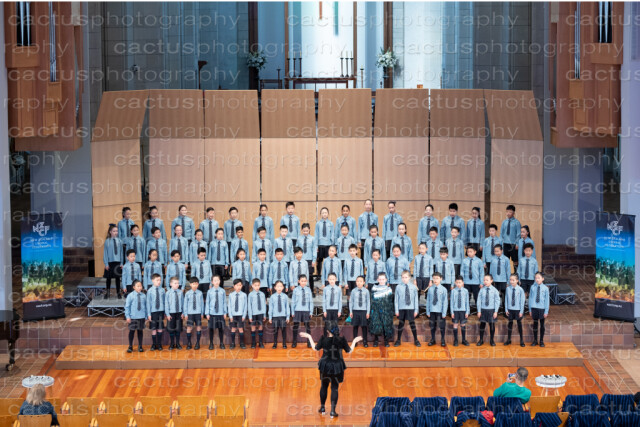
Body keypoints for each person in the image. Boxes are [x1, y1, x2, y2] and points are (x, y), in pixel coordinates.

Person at [299, 325, 362, 419]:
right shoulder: (341, 340)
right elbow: (349, 351)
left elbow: (315, 348)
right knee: (334, 388)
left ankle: (322, 408)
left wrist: (309, 336)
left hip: (325, 366)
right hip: (337, 367)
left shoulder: (323, 339)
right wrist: (354, 341)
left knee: (324, 386)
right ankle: (333, 411)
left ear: (328, 331)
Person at [394, 271, 420, 347]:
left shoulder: (413, 287)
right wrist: (396, 310)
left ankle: (416, 340)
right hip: (401, 308)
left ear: (409, 278)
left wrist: (416, 310)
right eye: (403, 277)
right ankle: (398, 340)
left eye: (406, 277)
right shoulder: (398, 287)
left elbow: (416, 299)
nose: (404, 279)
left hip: (410, 308)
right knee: (401, 324)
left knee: (412, 323)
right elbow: (396, 299)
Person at [370, 272, 394, 347]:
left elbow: (390, 300)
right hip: (376, 310)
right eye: (380, 279)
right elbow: (372, 300)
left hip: (386, 310)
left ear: (386, 280)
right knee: (376, 324)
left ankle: (386, 341)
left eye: (383, 279)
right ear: (377, 279)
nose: (381, 281)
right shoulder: (374, 288)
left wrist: (390, 311)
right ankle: (376, 340)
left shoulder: (389, 289)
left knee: (386, 325)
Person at [477, 274, 501, 346]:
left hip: (491, 310)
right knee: (482, 325)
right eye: (484, 280)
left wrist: (496, 311)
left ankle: (492, 340)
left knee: (492, 325)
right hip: (483, 310)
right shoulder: (481, 290)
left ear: (491, 281)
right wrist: (479, 311)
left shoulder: (495, 290)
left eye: (487, 280)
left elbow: (497, 301)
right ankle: (481, 340)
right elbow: (479, 301)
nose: (485, 281)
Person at [125, 280, 147, 353]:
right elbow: (127, 307)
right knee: (132, 331)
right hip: (133, 317)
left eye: (140, 286)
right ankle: (130, 346)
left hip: (141, 316)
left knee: (140, 331)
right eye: (138, 286)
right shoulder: (130, 296)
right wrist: (128, 316)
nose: (140, 287)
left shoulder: (144, 296)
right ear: (134, 287)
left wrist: (146, 316)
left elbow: (146, 306)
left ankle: (140, 346)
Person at [291, 275, 314, 348]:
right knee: (295, 326)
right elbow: (293, 301)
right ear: (299, 281)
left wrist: (311, 311)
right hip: (297, 310)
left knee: (307, 327)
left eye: (305, 281)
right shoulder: (295, 290)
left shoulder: (308, 290)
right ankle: (294, 341)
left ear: (306, 281)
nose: (303, 282)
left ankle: (309, 342)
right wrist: (292, 311)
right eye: (302, 281)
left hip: (306, 310)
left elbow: (310, 301)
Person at [426, 272, 448, 347]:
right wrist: (428, 311)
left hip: (440, 311)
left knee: (442, 326)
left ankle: (442, 339)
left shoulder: (444, 289)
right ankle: (433, 339)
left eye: (437, 278)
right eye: (434, 278)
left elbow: (445, 302)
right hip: (432, 310)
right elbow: (428, 301)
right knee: (432, 326)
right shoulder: (430, 289)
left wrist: (444, 312)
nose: (435, 280)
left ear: (441, 279)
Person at [205, 275, 226, 350]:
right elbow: (207, 302)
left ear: (220, 281)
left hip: (220, 313)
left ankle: (221, 343)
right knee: (211, 329)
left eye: (218, 280)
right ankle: (211, 343)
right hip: (212, 313)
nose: (216, 282)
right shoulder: (209, 291)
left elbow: (224, 302)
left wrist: (225, 312)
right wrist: (207, 313)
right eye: (215, 280)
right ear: (212, 282)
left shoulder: (222, 291)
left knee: (221, 329)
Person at [505, 273, 526, 347]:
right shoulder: (508, 289)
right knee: (510, 324)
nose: (511, 281)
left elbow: (522, 301)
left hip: (517, 310)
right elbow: (506, 299)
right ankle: (509, 340)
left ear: (517, 280)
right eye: (510, 280)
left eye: (513, 280)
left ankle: (521, 340)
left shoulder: (520, 289)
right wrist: (506, 309)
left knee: (519, 324)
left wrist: (521, 311)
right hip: (510, 309)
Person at [529, 271, 550, 347]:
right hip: (534, 308)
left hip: (542, 308)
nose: (537, 279)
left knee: (542, 324)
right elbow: (530, 298)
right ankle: (535, 340)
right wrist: (530, 309)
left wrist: (546, 311)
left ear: (542, 279)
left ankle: (541, 340)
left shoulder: (545, 288)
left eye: (538, 278)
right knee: (535, 324)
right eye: (536, 278)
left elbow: (547, 300)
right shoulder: (532, 287)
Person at [183, 277, 204, 349]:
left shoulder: (200, 293)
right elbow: (185, 304)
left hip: (198, 312)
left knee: (198, 327)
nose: (195, 285)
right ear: (190, 284)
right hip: (190, 313)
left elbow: (202, 304)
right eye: (193, 284)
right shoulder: (187, 293)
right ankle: (189, 343)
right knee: (189, 327)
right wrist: (185, 314)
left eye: (196, 284)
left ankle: (197, 343)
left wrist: (202, 313)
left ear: (198, 284)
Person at [103, 224, 123, 299]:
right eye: (114, 231)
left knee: (117, 278)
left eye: (116, 231)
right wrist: (106, 263)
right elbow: (105, 253)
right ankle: (107, 292)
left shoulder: (120, 241)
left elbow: (121, 252)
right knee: (108, 278)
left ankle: (118, 292)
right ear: (110, 232)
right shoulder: (107, 241)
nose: (116, 232)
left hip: (117, 262)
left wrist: (121, 263)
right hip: (110, 262)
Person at [349, 276, 370, 347]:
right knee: (355, 327)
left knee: (364, 327)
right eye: (357, 281)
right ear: (356, 282)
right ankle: (355, 341)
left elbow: (368, 302)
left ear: (364, 282)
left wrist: (368, 312)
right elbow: (351, 301)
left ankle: (365, 341)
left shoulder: (366, 291)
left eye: (361, 281)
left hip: (364, 311)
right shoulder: (353, 291)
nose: (359, 283)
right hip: (355, 311)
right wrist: (351, 311)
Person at [146, 273, 166, 351]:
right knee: (154, 328)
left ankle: (159, 344)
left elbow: (164, 301)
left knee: (160, 328)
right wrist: (149, 314)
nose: (159, 282)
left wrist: (165, 312)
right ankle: (154, 344)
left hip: (161, 311)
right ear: (152, 280)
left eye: (160, 280)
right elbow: (148, 303)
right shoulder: (150, 291)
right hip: (153, 312)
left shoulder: (162, 290)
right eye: (157, 280)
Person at [269, 280, 291, 348]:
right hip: (275, 316)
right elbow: (271, 307)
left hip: (283, 316)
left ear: (283, 287)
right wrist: (270, 317)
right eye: (278, 286)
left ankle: (284, 343)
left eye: (281, 286)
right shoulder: (272, 297)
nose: (279, 288)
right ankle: (275, 343)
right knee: (275, 330)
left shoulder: (285, 296)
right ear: (275, 287)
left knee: (283, 330)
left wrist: (287, 316)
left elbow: (287, 307)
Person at [228, 279, 248, 349]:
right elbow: (229, 306)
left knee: (241, 329)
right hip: (233, 315)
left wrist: (244, 315)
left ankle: (242, 343)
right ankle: (232, 343)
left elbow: (245, 306)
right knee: (233, 328)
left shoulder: (244, 295)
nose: (239, 287)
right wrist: (230, 316)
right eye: (237, 285)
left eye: (240, 285)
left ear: (242, 286)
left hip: (240, 315)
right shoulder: (231, 295)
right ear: (234, 286)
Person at [450, 276, 470, 346]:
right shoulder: (453, 291)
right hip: (455, 310)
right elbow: (451, 302)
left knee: (463, 324)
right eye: (457, 282)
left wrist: (467, 311)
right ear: (455, 283)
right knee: (455, 324)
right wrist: (452, 312)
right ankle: (455, 340)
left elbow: (467, 302)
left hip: (463, 310)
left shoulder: (465, 291)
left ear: (462, 283)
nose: (458, 284)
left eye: (460, 282)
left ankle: (464, 340)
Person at [316, 207, 335, 279]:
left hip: (328, 245)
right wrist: (316, 245)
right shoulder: (318, 223)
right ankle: (318, 275)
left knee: (328, 261)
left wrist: (332, 245)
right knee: (319, 261)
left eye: (325, 212)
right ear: (320, 214)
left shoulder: (331, 223)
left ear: (328, 214)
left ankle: (328, 275)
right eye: (323, 213)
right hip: (320, 245)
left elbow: (332, 234)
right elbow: (316, 234)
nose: (324, 214)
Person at [165, 276, 184, 349]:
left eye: (178, 283)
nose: (177, 285)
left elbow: (183, 303)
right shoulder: (168, 293)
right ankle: (172, 343)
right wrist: (167, 314)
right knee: (171, 329)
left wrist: (183, 312)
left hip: (179, 313)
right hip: (171, 313)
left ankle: (178, 343)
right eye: (175, 283)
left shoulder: (180, 292)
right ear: (171, 284)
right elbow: (166, 304)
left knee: (178, 329)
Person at [501, 205, 521, 269]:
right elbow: (501, 233)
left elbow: (518, 234)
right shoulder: (504, 222)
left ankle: (516, 273)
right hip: (505, 244)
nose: (508, 213)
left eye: (510, 212)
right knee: (505, 260)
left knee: (515, 260)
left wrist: (517, 243)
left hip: (513, 244)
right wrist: (501, 243)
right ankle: (505, 273)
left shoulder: (517, 222)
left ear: (513, 213)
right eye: (507, 212)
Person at [299, 223, 317, 293]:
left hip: (309, 259)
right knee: (301, 275)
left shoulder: (313, 239)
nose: (305, 232)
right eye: (304, 231)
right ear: (302, 230)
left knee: (310, 275)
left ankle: (311, 291)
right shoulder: (299, 239)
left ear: (309, 230)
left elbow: (314, 249)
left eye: (307, 231)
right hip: (301, 259)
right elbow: (297, 249)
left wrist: (314, 260)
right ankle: (301, 291)